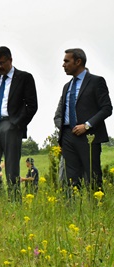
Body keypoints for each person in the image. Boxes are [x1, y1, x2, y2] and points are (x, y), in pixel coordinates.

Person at [0, 46, 38, 201]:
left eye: (1, 63)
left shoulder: (25, 78)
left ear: (10, 60)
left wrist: (16, 124)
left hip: (10, 125)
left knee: (12, 169)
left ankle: (14, 202)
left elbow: (32, 106)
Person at [56, 48, 112, 193]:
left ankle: (96, 210)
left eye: (66, 61)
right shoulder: (66, 87)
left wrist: (87, 125)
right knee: (72, 179)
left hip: (89, 136)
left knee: (93, 177)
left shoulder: (96, 81)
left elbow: (107, 108)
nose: (63, 65)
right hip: (68, 136)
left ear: (78, 61)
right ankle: (74, 212)